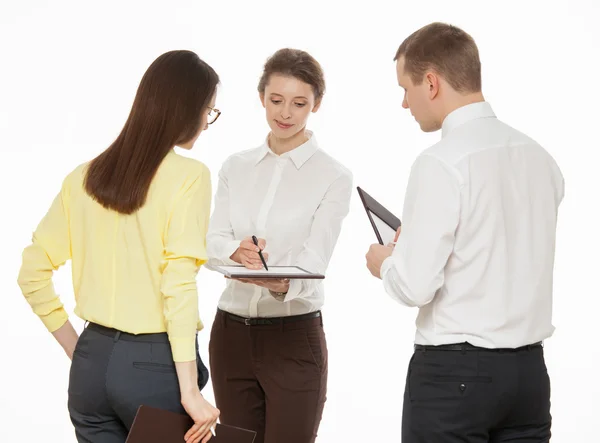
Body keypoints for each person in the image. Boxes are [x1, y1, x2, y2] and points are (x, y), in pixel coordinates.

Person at [365, 22, 564, 442]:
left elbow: (414, 287)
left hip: (454, 378)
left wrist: (386, 264)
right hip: (529, 376)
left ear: (431, 83)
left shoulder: (440, 162)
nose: (404, 103)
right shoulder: (539, 157)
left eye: (406, 88)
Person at [17, 50, 221, 443]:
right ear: (185, 109)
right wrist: (190, 393)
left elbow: (32, 273)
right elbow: (178, 286)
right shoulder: (189, 177)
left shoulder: (83, 177)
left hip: (91, 366)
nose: (206, 123)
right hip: (156, 366)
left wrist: (81, 353)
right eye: (207, 111)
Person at [205, 48, 353, 443]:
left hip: (293, 339)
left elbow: (315, 260)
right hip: (230, 335)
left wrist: (280, 284)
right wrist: (235, 251)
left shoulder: (333, 176)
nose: (285, 113)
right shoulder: (235, 167)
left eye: (299, 103)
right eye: (276, 100)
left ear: (316, 104)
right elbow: (211, 241)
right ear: (261, 97)